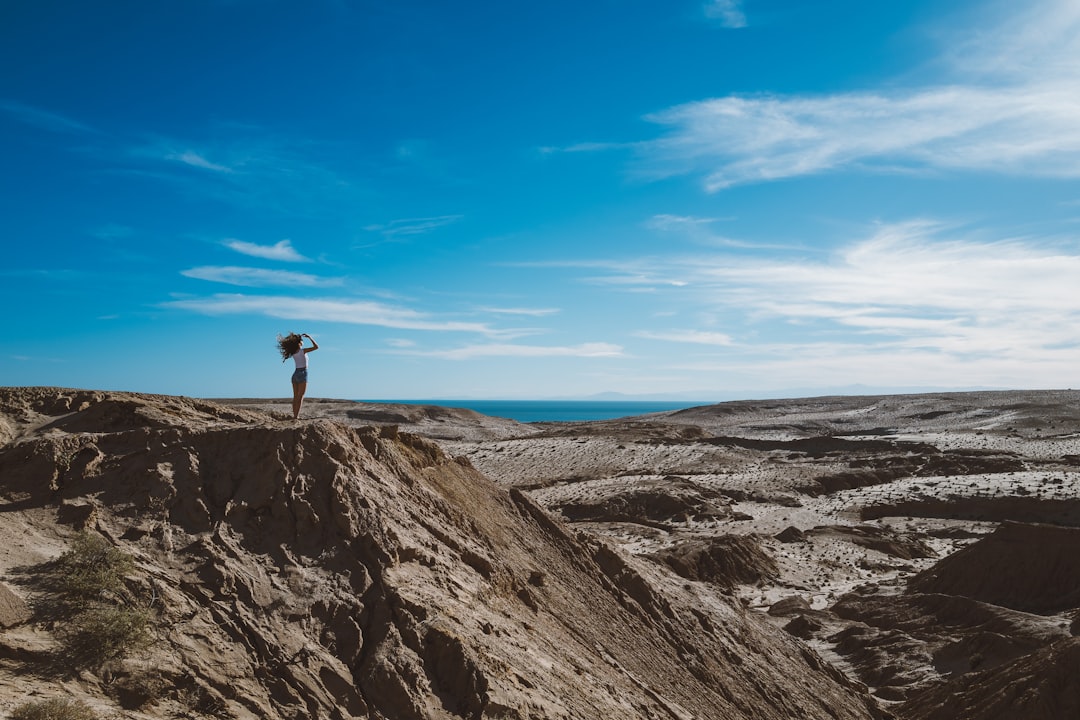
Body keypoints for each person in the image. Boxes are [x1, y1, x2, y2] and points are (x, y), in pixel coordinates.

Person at [276, 332, 319, 419]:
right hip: (303, 373)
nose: (303, 342)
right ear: (299, 343)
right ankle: (296, 417)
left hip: (295, 374)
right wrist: (310, 337)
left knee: (295, 397)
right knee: (301, 396)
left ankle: (295, 416)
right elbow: (316, 347)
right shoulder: (303, 351)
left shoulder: (293, 352)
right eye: (302, 341)